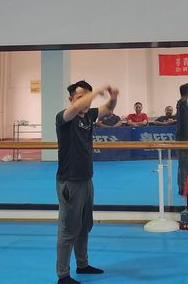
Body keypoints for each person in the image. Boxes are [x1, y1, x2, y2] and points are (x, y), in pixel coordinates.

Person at [55, 80, 119, 284]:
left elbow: (109, 109)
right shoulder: (64, 117)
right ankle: (63, 275)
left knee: (84, 225)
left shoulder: (90, 115)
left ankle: (82, 264)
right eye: (80, 97)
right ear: (71, 99)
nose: (85, 102)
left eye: (87, 97)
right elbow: (75, 108)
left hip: (86, 179)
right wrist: (97, 91)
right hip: (70, 181)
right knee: (69, 229)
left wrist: (113, 97)